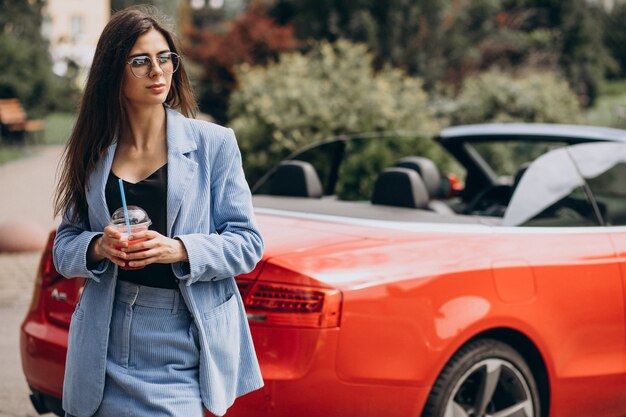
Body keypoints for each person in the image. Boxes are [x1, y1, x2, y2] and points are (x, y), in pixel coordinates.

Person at [52, 6, 264, 417]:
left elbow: (247, 244)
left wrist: (178, 249)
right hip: (103, 337)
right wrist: (98, 246)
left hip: (180, 337)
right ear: (114, 70)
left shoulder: (213, 144)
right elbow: (64, 247)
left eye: (165, 58)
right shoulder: (93, 153)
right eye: (140, 61)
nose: (158, 70)